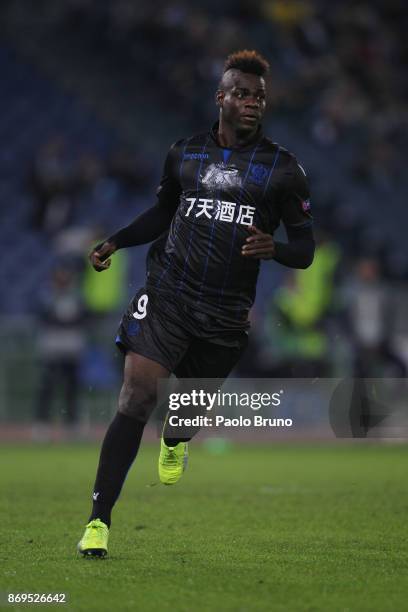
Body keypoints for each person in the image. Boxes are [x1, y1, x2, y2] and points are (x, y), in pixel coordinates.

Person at [77, 50, 315, 557]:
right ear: (222, 98)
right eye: (244, 94)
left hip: (226, 313)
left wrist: (276, 248)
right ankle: (98, 521)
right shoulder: (183, 154)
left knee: (183, 413)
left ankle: (177, 437)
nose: (253, 103)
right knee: (137, 396)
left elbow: (306, 250)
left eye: (260, 97)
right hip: (168, 295)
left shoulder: (284, 170)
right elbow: (163, 211)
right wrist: (117, 240)